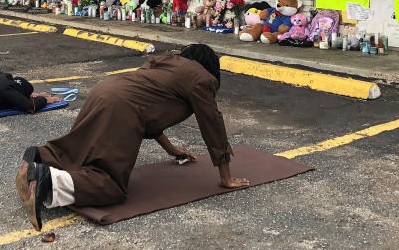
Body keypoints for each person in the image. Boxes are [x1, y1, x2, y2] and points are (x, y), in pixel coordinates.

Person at [15, 44, 249, 231]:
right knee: (110, 185)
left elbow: (151, 109)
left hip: (104, 92)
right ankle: (48, 181)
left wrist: (170, 149)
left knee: (79, 148)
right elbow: (213, 124)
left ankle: (40, 157)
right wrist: (225, 177)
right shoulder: (202, 79)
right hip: (123, 108)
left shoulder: (165, 63)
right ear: (210, 66)